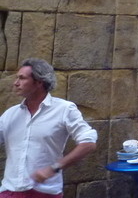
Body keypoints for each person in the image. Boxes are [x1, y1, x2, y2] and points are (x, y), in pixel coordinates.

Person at [0, 58, 98, 197]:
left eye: (22, 78)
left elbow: (88, 143)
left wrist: (54, 168)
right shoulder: (10, 114)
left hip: (45, 192)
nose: (16, 83)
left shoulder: (64, 109)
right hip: (10, 191)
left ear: (39, 82)